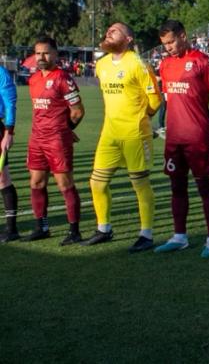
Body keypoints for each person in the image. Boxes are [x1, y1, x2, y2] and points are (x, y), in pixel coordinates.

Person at [83, 22, 161, 252]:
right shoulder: (102, 64)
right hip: (109, 133)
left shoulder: (139, 64)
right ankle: (104, 229)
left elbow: (155, 100)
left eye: (115, 30)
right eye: (108, 30)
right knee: (96, 182)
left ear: (128, 39)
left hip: (134, 134)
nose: (109, 32)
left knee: (139, 184)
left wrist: (138, 117)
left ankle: (146, 234)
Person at [152, 20, 209, 257]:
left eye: (171, 41)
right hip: (174, 137)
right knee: (176, 186)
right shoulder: (165, 64)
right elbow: (170, 101)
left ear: (183, 36)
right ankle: (179, 236)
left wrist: (203, 123)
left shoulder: (203, 61)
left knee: (204, 187)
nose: (168, 47)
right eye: (164, 44)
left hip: (196, 137)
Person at [22, 37, 85, 245]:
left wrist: (65, 131)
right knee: (36, 182)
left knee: (64, 184)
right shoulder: (33, 79)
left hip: (57, 140)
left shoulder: (63, 78)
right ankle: (42, 227)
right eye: (38, 53)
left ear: (56, 54)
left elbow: (77, 112)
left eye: (46, 53)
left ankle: (74, 231)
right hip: (37, 138)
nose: (41, 57)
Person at [0, 65, 17, 243]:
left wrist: (8, 132)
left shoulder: (1, 73)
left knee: (3, 179)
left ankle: (11, 229)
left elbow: (10, 102)